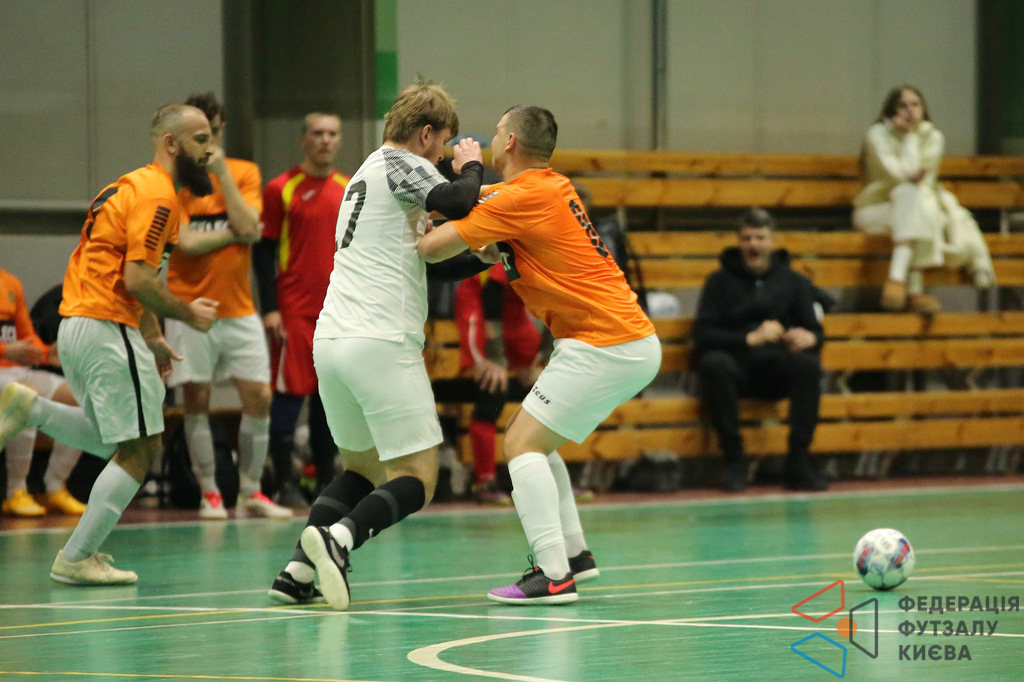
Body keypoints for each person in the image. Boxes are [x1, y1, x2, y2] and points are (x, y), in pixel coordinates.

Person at [418, 105, 661, 605]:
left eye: (496, 132)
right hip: (619, 339)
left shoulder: (522, 196)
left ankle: (552, 575)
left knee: (520, 445)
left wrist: (465, 173)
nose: (491, 139)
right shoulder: (550, 186)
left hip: (603, 342)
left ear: (509, 142)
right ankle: (573, 555)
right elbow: (490, 214)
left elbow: (432, 249)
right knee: (539, 443)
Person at [268, 80, 492, 610]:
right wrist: (471, 167)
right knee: (418, 477)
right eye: (443, 145)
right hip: (379, 340)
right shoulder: (400, 161)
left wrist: (480, 259)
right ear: (426, 133)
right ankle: (339, 540)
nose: (442, 157)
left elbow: (421, 262)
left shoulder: (364, 175)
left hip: (334, 341)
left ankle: (297, 572)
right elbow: (459, 200)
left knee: (362, 469)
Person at [0, 104, 245, 584]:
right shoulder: (159, 197)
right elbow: (138, 281)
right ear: (171, 143)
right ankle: (77, 557)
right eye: (200, 139)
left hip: (80, 326)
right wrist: (188, 314)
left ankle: (33, 409)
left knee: (117, 440)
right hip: (105, 326)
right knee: (142, 447)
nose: (209, 149)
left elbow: (133, 273)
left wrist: (153, 337)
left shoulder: (129, 186)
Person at [165, 92, 288, 521]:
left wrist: (221, 175)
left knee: (260, 396)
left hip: (239, 308)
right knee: (196, 398)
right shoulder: (174, 181)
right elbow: (185, 241)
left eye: (213, 133)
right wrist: (237, 233)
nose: (208, 143)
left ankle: (252, 491)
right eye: (200, 137)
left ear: (220, 131)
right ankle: (211, 493)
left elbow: (252, 226)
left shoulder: (243, 172)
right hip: (189, 306)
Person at [692, 208, 829, 493]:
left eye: (760, 238)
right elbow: (704, 334)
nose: (753, 245)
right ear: (739, 242)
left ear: (772, 240)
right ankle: (734, 460)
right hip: (735, 369)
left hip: (776, 368)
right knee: (713, 364)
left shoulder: (793, 282)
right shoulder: (718, 282)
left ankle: (798, 461)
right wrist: (749, 338)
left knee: (808, 366)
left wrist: (810, 338)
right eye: (747, 238)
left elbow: (815, 330)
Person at [253, 112, 349, 507]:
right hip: (293, 311)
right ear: (303, 140)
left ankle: (326, 480)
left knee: (330, 398)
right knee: (289, 395)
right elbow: (263, 253)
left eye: (332, 133)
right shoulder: (280, 188)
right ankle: (285, 481)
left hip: (337, 311)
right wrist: (271, 308)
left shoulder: (348, 188)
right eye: (317, 133)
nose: (325, 140)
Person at [853, 84, 995, 313]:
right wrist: (909, 137)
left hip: (915, 209)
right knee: (912, 197)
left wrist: (912, 136)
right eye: (903, 105)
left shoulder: (933, 137)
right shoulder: (877, 134)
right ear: (891, 110)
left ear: (923, 108)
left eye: (915, 104)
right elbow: (900, 175)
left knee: (919, 202)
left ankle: (897, 281)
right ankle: (914, 290)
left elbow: (922, 183)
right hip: (876, 210)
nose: (910, 110)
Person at [0, 267, 87, 517]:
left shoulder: (10, 282)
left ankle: (55, 486)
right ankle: (16, 491)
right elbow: (10, 347)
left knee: (82, 397)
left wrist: (47, 353)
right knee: (26, 397)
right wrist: (5, 351)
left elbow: (27, 336)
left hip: (18, 371)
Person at [454, 263, 540, 505]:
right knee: (492, 388)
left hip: (512, 309)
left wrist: (540, 358)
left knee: (546, 391)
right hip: (482, 301)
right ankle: (485, 481)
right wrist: (492, 358)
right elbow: (490, 292)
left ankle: (547, 476)